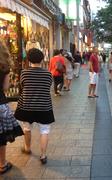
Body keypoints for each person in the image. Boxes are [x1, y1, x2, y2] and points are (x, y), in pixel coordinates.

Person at [14, 48, 55, 164]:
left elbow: (22, 87)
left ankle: (27, 148)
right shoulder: (48, 74)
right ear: (42, 59)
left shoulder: (24, 73)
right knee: (44, 130)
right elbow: (48, 87)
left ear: (28, 59)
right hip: (44, 107)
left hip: (27, 106)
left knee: (27, 128)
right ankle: (43, 155)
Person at [0, 41, 23, 174]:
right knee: (2, 137)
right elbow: (5, 88)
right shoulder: (4, 67)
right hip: (0, 105)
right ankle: (2, 164)